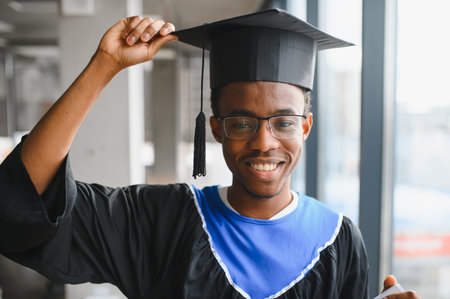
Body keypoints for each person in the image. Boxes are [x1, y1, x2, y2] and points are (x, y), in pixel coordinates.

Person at [0, 9, 421, 299]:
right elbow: (23, 202)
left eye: (284, 122)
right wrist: (103, 66)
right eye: (241, 122)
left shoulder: (339, 239)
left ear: (306, 126)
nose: (264, 143)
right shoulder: (160, 219)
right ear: (216, 128)